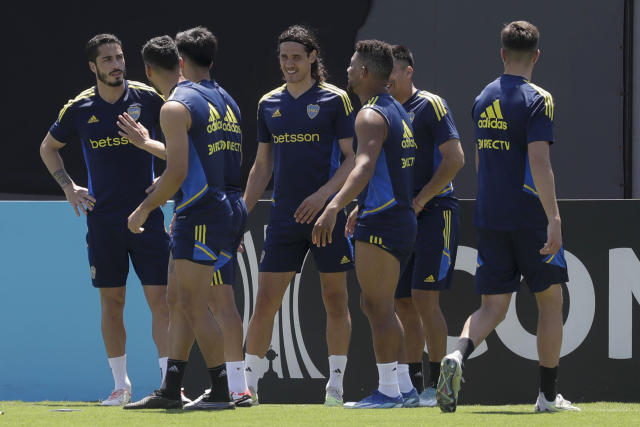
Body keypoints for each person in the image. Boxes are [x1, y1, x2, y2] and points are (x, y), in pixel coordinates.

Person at [436, 21, 580, 413]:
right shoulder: (539, 99)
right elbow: (539, 161)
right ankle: (548, 397)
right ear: (536, 56)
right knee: (551, 302)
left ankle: (457, 356)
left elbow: (483, 159)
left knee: (492, 307)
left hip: (490, 214)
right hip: (530, 216)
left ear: (502, 54)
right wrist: (554, 217)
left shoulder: (483, 96)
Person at [116, 30, 251, 407]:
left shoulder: (175, 105)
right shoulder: (225, 100)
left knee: (194, 303)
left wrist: (143, 209)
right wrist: (148, 144)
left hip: (202, 211)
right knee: (177, 299)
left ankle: (222, 389)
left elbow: (177, 173)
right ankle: (171, 389)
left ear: (179, 61)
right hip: (225, 206)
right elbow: (205, 160)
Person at [39, 34, 169, 406]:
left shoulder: (148, 98)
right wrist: (69, 187)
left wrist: (167, 173)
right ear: (93, 67)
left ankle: (168, 384)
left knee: (160, 301)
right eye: (108, 60)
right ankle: (120, 385)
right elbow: (48, 148)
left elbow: (183, 144)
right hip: (103, 222)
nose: (117, 65)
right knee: (111, 303)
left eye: (119, 57)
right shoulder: (79, 108)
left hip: (148, 218)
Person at [242, 24, 355, 406]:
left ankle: (335, 386)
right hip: (285, 219)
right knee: (265, 302)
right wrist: (241, 213)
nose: (289, 64)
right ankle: (249, 386)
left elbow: (353, 160)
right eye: (283, 57)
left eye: (296, 57)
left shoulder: (335, 99)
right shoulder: (268, 103)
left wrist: (325, 198)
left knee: (335, 299)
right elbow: (261, 167)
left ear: (312, 58)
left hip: (326, 217)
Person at [312, 39, 417, 409]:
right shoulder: (398, 111)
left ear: (366, 72)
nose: (348, 71)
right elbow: (388, 171)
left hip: (385, 221)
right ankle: (403, 386)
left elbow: (364, 165)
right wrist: (361, 204)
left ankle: (389, 392)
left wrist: (335, 204)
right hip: (396, 216)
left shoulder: (370, 115)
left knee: (378, 305)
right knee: (378, 305)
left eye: (353, 65)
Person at [387, 45, 464, 407]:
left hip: (436, 212)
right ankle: (413, 387)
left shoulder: (432, 105)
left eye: (392, 75)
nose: (386, 82)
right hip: (401, 216)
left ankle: (437, 385)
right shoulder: (382, 111)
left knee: (424, 299)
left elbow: (455, 159)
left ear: (408, 72)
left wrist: (420, 201)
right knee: (401, 300)